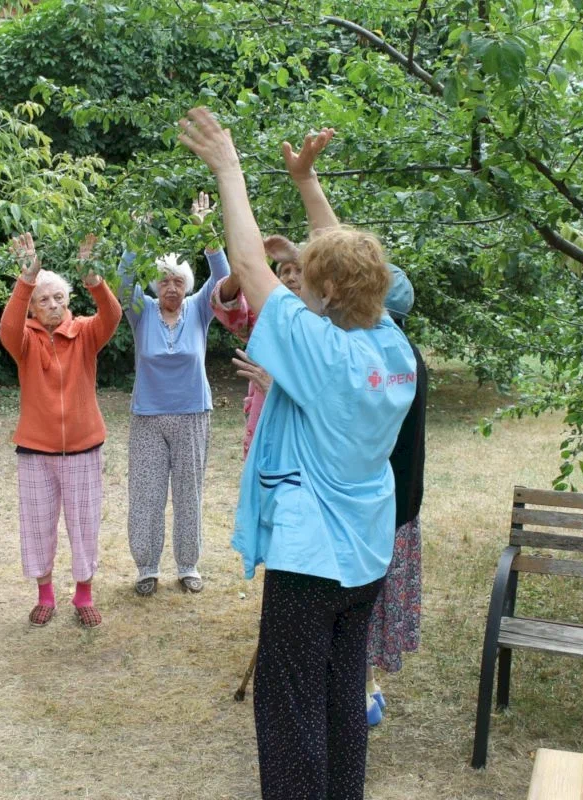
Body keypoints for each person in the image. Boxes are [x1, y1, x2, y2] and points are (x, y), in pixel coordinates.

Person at [178, 109, 416, 800]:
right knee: (341, 698)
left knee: (288, 710)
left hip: (312, 560)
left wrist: (229, 166)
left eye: (309, 280)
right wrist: (308, 184)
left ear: (329, 294)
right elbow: (349, 268)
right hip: (365, 555)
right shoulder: (389, 346)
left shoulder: (327, 354)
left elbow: (251, 265)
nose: (299, 287)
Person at [0, 232, 122, 628]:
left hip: (84, 447)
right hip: (36, 450)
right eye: (43, 300)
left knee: (84, 523)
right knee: (38, 525)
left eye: (58, 298)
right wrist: (26, 279)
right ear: (32, 306)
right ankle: (45, 594)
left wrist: (94, 279)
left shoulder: (85, 331)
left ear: (68, 301)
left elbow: (113, 317)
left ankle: (83, 593)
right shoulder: (24, 339)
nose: (52, 305)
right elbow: (7, 328)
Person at [117, 194, 230, 596]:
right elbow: (122, 282)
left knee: (189, 492)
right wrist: (136, 237)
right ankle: (147, 567)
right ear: (156, 284)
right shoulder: (141, 311)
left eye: (177, 280)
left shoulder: (200, 309)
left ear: (187, 285)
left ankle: (188, 565)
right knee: (146, 494)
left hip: (192, 414)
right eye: (164, 280)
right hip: (148, 415)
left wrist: (208, 233)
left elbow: (223, 280)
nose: (170, 287)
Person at [364, 264, 427, 725]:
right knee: (372, 607)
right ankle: (367, 684)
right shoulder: (408, 353)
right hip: (400, 505)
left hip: (378, 509)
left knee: (361, 607)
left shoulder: (383, 357)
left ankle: (360, 693)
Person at [210, 235, 303, 457]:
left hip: (301, 435)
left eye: (299, 271)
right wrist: (238, 272)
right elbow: (230, 308)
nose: (291, 277)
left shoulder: (326, 323)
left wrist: (276, 387)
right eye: (285, 272)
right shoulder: (266, 318)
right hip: (263, 426)